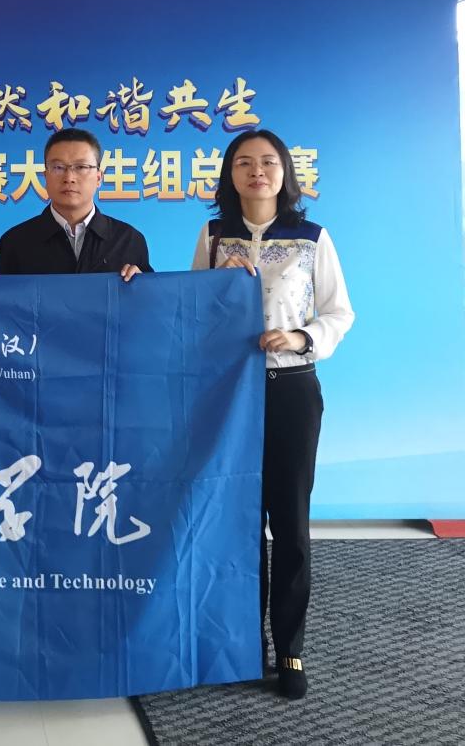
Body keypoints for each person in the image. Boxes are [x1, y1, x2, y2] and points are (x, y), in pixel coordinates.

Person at [191, 128, 354, 700]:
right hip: (230, 394)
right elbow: (194, 309)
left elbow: (339, 312)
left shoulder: (311, 237)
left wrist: (301, 337)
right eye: (243, 163)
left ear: (285, 171)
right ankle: (242, 643)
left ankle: (290, 647)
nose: (256, 171)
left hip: (291, 391)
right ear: (229, 175)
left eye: (267, 162)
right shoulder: (214, 235)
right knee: (236, 523)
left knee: (290, 523)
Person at [0, 128, 150, 280]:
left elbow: (148, 296)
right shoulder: (15, 243)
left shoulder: (129, 240)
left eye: (81, 167)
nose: (69, 178)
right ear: (45, 177)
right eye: (58, 167)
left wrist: (142, 286)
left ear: (98, 178)